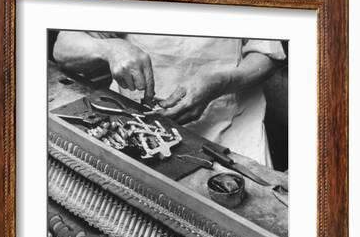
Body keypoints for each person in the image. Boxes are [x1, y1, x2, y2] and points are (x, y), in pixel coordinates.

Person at [52, 31, 286, 166]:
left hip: (230, 126)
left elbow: (266, 55)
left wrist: (221, 82)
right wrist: (108, 49)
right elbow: (63, 47)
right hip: (134, 124)